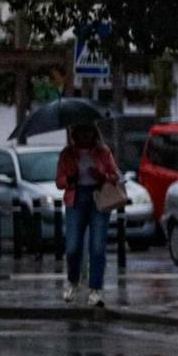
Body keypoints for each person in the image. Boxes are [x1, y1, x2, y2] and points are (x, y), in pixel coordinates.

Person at [54, 121, 121, 308]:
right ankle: (73, 280)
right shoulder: (68, 154)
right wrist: (70, 179)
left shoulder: (103, 152)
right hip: (76, 199)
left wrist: (102, 176)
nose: (85, 136)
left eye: (89, 132)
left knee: (97, 247)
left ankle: (95, 289)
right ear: (75, 134)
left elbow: (116, 175)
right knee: (73, 246)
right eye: (81, 132)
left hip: (98, 198)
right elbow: (58, 181)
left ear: (94, 133)